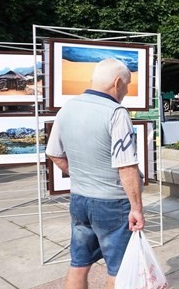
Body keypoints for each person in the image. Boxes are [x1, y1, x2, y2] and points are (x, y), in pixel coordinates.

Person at [46, 58, 144, 289]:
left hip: (79, 199)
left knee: (78, 264)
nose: (127, 91)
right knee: (119, 269)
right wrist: (136, 208)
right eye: (127, 85)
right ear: (117, 82)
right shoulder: (116, 112)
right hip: (112, 204)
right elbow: (126, 166)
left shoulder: (68, 107)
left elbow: (54, 153)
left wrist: (80, 174)